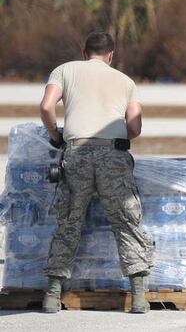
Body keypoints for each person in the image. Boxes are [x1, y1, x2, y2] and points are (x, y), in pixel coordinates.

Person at [39, 31, 154, 314]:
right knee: (126, 221)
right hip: (112, 156)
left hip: (75, 154)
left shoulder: (64, 70)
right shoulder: (125, 81)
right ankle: (138, 297)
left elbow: (46, 106)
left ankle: (52, 296)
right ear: (111, 55)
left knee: (68, 221)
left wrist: (56, 135)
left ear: (84, 52)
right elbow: (136, 127)